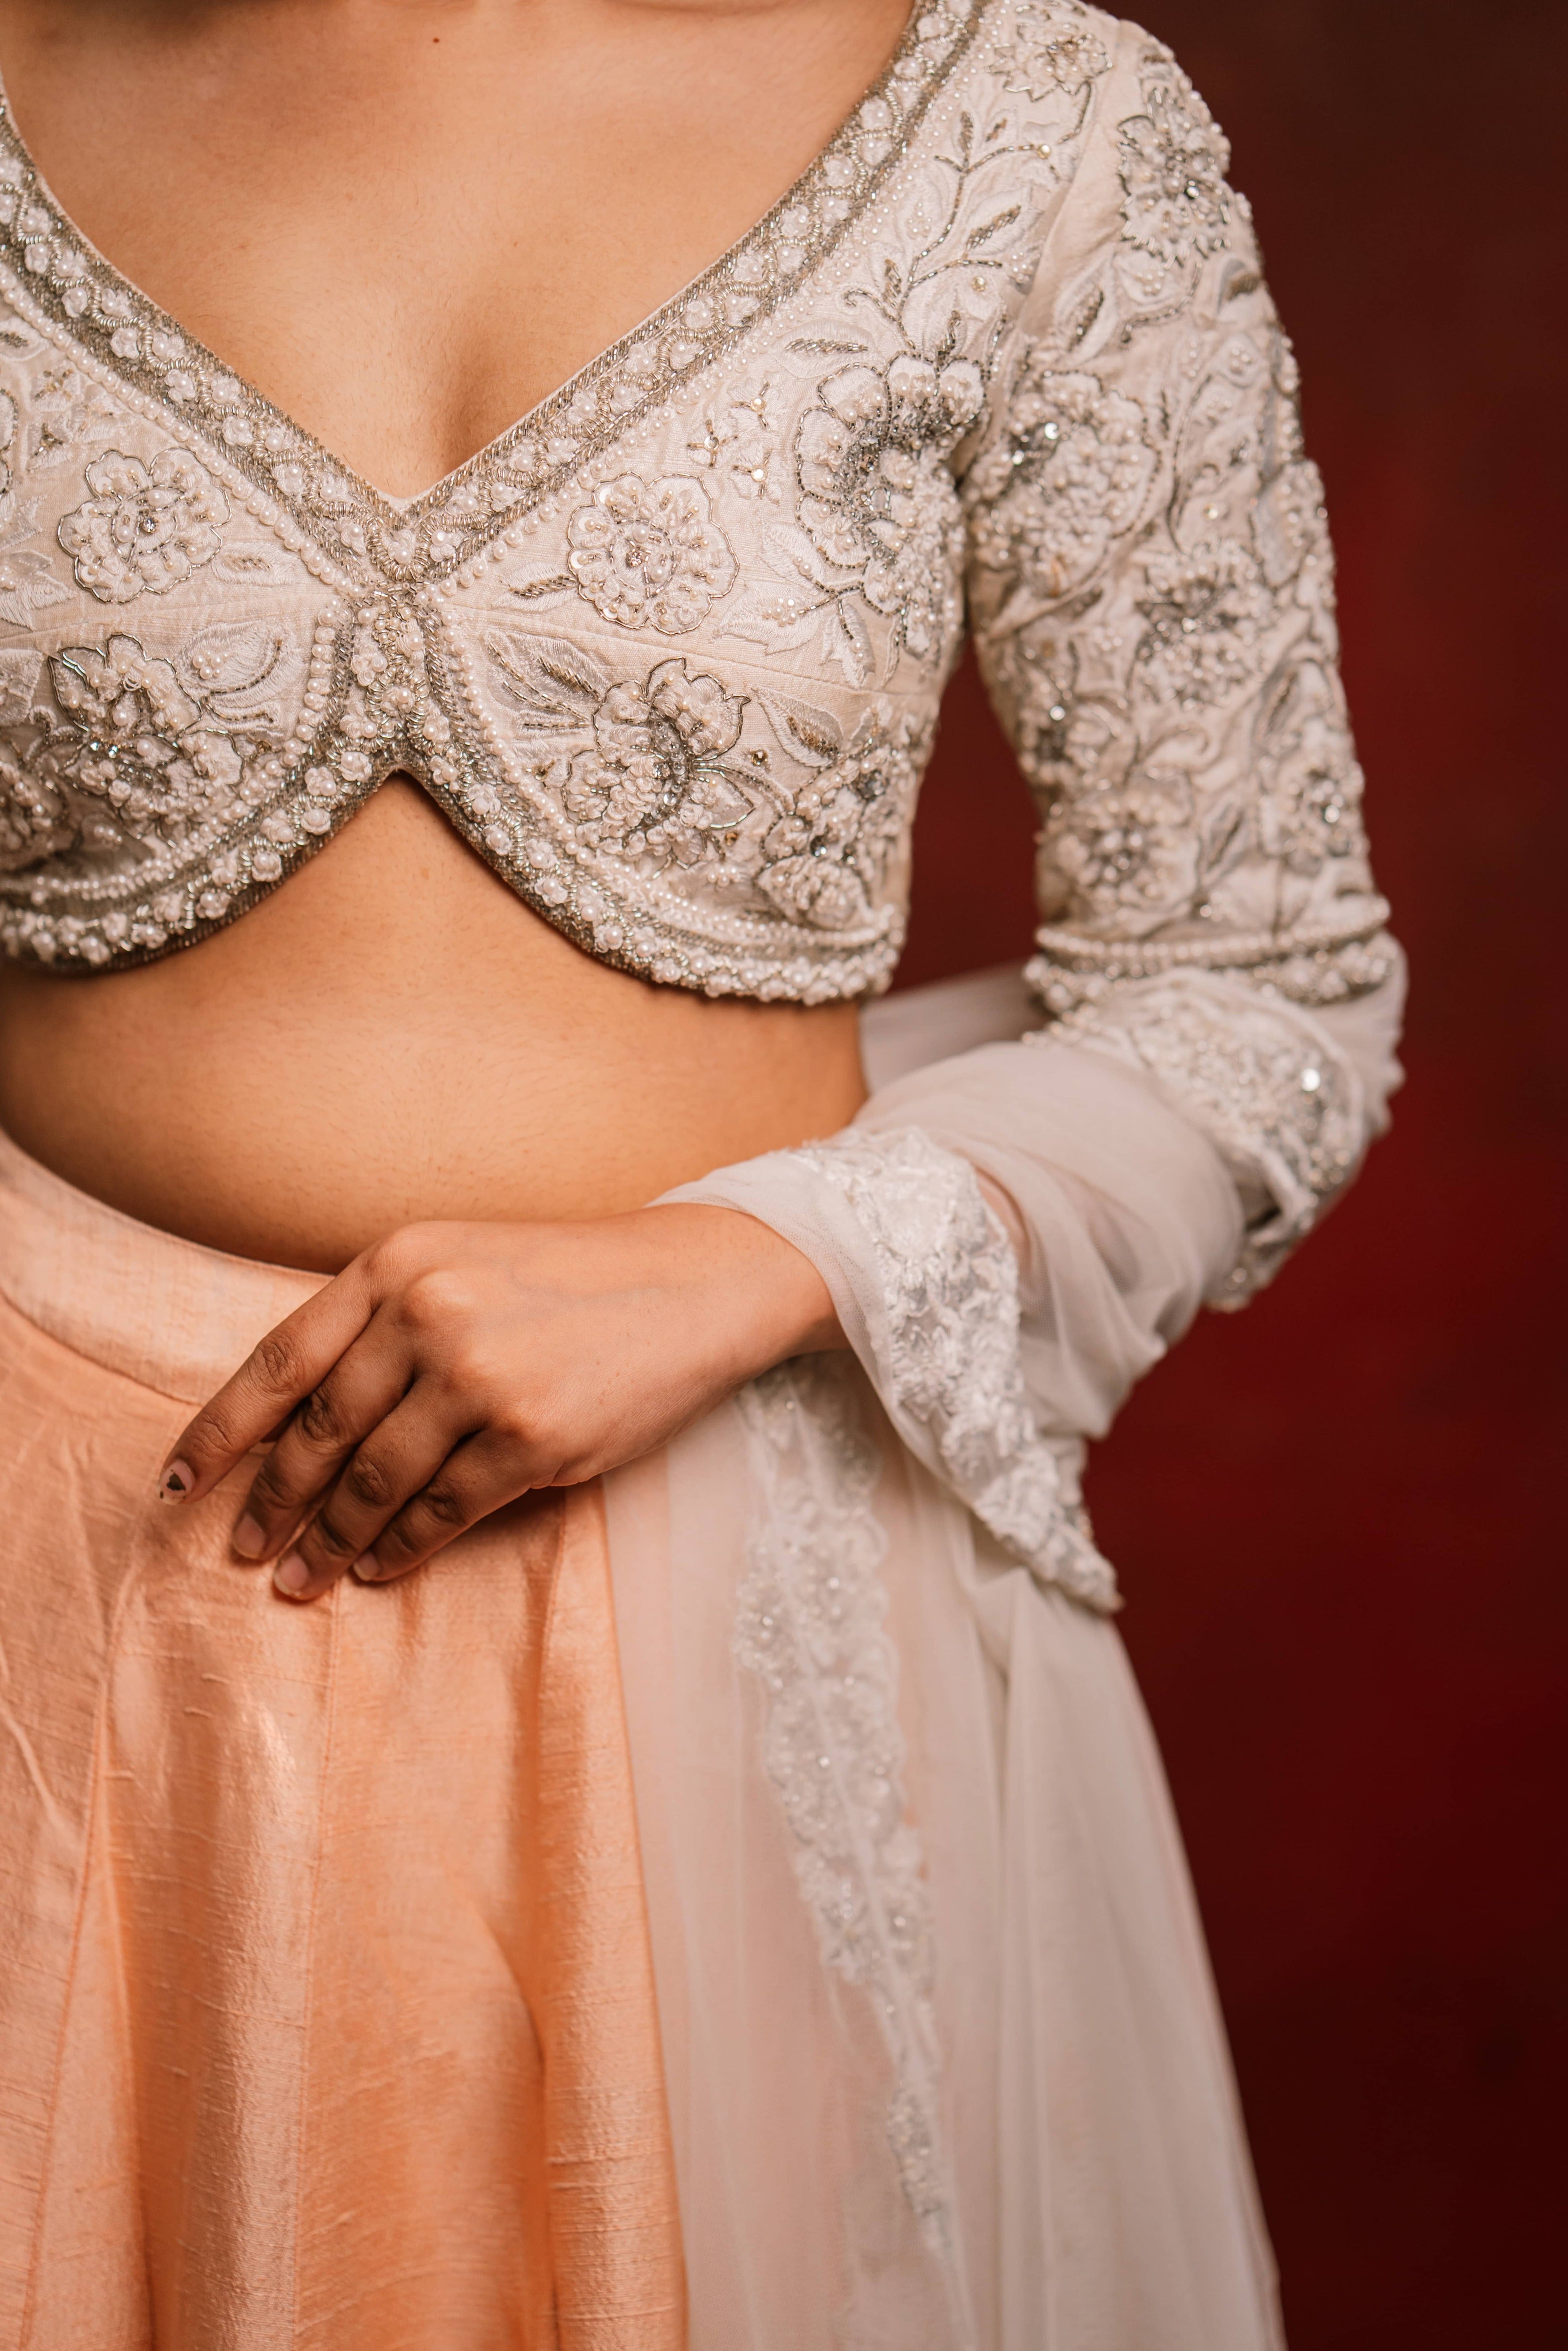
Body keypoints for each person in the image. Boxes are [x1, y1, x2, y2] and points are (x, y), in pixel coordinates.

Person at [0, 0, 1402, 2343]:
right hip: (60, 1600)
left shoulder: (1021, 119)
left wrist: (756, 1260)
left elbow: (1263, 979)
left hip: (721, 1613)